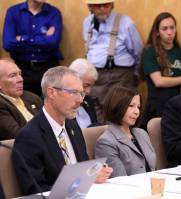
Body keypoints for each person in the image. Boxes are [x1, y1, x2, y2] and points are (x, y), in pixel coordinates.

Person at [12, 66, 112, 195]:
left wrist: (93, 172)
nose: (80, 100)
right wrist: (84, 181)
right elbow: (36, 192)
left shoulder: (73, 127)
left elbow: (83, 168)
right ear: (51, 92)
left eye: (81, 93)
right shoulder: (29, 137)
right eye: (74, 92)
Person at [83, 0, 143, 123]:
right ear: (91, 7)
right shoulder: (87, 22)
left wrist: (136, 75)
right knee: (95, 114)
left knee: (117, 113)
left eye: (105, 5)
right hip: (94, 77)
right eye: (97, 5)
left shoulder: (126, 23)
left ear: (111, 5)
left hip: (119, 76)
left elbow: (138, 52)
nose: (102, 8)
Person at [140, 12, 181, 129]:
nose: (169, 32)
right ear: (157, 32)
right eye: (164, 29)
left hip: (176, 106)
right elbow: (159, 81)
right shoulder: (150, 52)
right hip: (157, 106)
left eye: (172, 28)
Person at [2, 0, 63, 96]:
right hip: (22, 69)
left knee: (51, 105)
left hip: (48, 68)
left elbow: (53, 43)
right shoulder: (13, 12)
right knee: (24, 105)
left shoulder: (54, 13)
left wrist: (22, 38)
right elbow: (8, 44)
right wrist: (43, 38)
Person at [95, 86, 156, 178]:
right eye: (131, 106)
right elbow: (119, 180)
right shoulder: (106, 142)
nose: (137, 112)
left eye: (138, 107)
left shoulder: (142, 133)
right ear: (116, 106)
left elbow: (154, 169)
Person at [0, 59, 42, 140]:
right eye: (12, 76)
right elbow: (18, 136)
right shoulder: (1, 104)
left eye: (20, 74)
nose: (20, 79)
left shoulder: (32, 97)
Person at [69, 58, 99, 128]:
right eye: (85, 86)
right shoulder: (59, 105)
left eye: (91, 86)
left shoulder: (88, 100)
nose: (88, 91)